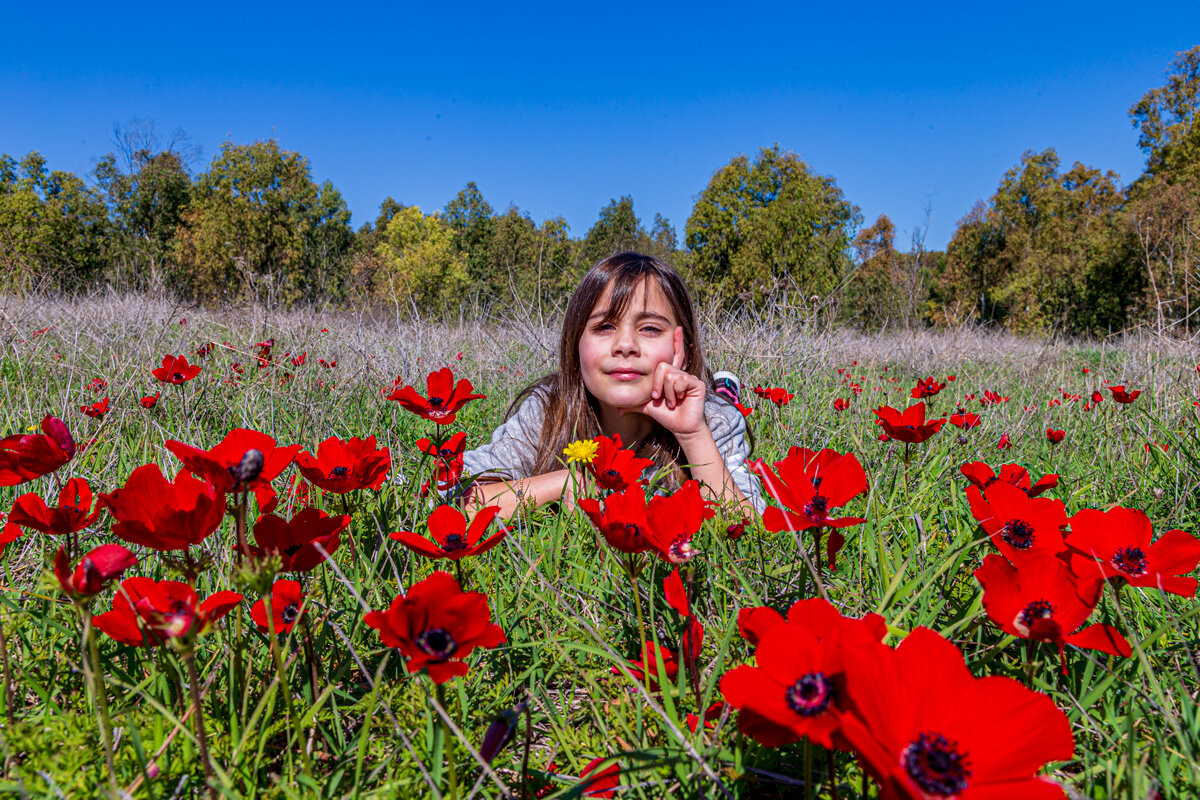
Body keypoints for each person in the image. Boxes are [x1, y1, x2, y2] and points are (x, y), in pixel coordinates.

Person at [463, 251, 764, 519]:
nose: (625, 345)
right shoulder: (550, 410)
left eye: (649, 328)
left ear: (684, 351)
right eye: (604, 327)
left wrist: (693, 435)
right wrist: (563, 481)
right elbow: (462, 498)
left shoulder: (712, 420)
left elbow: (749, 530)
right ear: (574, 345)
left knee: (722, 402)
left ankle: (723, 390)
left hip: (704, 410)